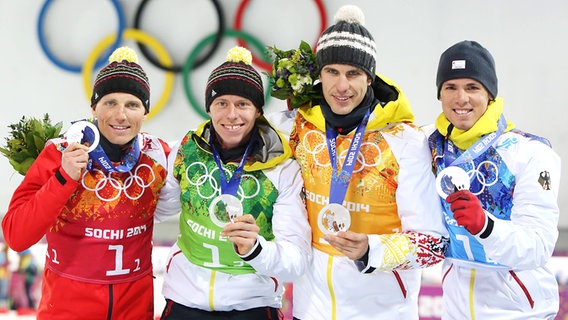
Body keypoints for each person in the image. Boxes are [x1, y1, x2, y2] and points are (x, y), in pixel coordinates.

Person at [287, 5, 448, 320]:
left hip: (381, 311)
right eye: (331, 71)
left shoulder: (405, 141)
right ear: (319, 75)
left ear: (370, 77)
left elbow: (433, 243)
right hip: (311, 309)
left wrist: (370, 251)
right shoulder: (301, 125)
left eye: (353, 73)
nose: (342, 86)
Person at [2, 46, 177, 319]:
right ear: (94, 107)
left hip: (133, 310)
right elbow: (16, 235)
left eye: (132, 105)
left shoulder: (158, 155)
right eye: (110, 103)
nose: (121, 115)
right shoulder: (60, 152)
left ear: (145, 112)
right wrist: (64, 178)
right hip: (67, 310)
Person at [157, 46, 311, 320]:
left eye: (242, 104)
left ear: (257, 110)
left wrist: (256, 249)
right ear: (209, 108)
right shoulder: (186, 149)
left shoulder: (282, 167)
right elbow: (157, 210)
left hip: (252, 305)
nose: (231, 115)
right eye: (221, 103)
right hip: (185, 300)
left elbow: (296, 261)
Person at [428, 40, 560, 319]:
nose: (461, 98)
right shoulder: (429, 144)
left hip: (521, 311)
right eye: (450, 87)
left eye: (472, 87)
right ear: (439, 94)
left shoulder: (530, 152)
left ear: (490, 94)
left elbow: (539, 245)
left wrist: (486, 227)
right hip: (457, 309)